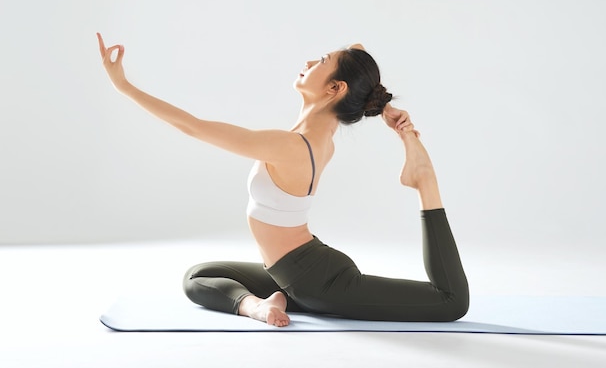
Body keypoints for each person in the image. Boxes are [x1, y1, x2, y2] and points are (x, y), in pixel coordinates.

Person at [97, 33, 469, 327]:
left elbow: (193, 127)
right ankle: (259, 305)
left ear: (335, 89)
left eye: (321, 62)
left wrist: (124, 87)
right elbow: (357, 52)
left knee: (450, 301)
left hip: (322, 284)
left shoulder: (290, 146)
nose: (308, 62)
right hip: (292, 272)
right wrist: (383, 106)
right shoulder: (316, 138)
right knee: (199, 277)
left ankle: (424, 179)